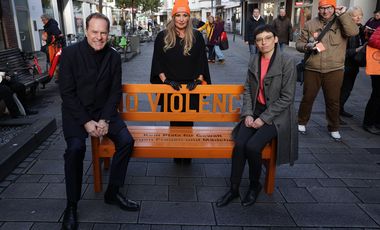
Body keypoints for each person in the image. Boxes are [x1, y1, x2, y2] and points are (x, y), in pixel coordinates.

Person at [59, 13, 139, 230]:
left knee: (126, 141)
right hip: (77, 113)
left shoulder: (113, 56)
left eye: (103, 32)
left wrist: (104, 118)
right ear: (86, 31)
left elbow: (115, 91)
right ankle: (72, 206)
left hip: (105, 112)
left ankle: (113, 192)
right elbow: (66, 93)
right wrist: (86, 122)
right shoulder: (69, 54)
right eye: (94, 32)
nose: (99, 37)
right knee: (75, 149)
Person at [216, 24, 298, 207]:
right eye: (260, 40)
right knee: (239, 144)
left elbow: (287, 98)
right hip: (255, 110)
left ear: (276, 39)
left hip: (276, 115)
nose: (264, 43)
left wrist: (264, 118)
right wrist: (247, 114)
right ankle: (234, 189)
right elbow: (247, 90)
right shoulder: (254, 60)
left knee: (253, 147)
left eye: (268, 38)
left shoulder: (287, 61)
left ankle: (254, 186)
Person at [150, 0, 211, 164]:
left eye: (185, 15)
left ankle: (187, 152)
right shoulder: (162, 36)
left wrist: (198, 81)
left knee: (188, 122)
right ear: (173, 16)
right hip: (172, 87)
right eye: (178, 15)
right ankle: (177, 152)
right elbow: (157, 62)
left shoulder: (197, 35)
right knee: (175, 123)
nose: (182, 19)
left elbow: (201, 61)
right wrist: (166, 81)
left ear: (189, 17)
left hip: (191, 87)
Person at [296, 0, 358, 141]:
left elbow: (353, 31)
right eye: (322, 8)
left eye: (329, 8)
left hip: (334, 69)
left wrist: (343, 15)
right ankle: (301, 122)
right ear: (318, 9)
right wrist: (307, 46)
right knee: (308, 98)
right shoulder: (310, 24)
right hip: (313, 68)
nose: (325, 11)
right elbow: (299, 43)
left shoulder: (341, 21)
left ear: (334, 8)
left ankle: (334, 127)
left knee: (333, 101)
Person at [339, 6, 366, 118]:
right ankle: (335, 114)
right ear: (349, 17)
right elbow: (341, 51)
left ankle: (340, 109)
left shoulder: (362, 29)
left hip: (354, 64)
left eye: (360, 15)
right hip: (345, 64)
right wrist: (356, 50)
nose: (358, 17)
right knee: (342, 90)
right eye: (355, 15)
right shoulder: (346, 30)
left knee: (348, 89)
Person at [363, 26, 380, 135]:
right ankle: (368, 123)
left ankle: (377, 122)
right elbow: (372, 41)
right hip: (378, 68)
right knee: (377, 95)